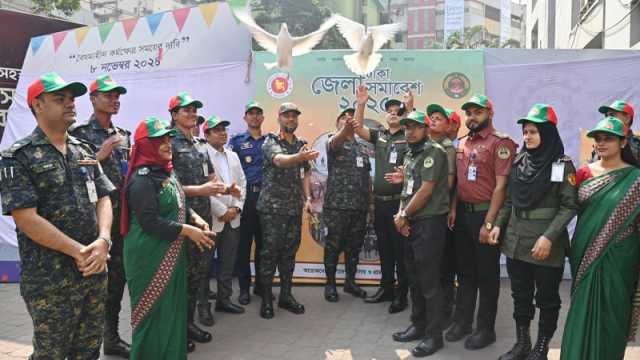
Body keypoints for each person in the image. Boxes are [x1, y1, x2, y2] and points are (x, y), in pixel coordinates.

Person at [0, 72, 115, 359]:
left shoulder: (84, 150)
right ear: (37, 105)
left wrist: (103, 240)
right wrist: (79, 251)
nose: (70, 104)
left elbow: (103, 197)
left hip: (93, 270)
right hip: (50, 280)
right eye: (59, 99)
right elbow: (26, 219)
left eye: (72, 99)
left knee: (88, 350)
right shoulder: (18, 156)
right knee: (50, 352)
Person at [122, 117, 215, 358]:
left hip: (170, 251)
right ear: (144, 145)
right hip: (148, 255)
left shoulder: (166, 171)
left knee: (172, 311)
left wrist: (194, 218)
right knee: (152, 315)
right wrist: (188, 230)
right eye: (159, 140)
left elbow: (177, 200)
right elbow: (150, 222)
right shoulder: (142, 179)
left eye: (167, 139)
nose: (166, 144)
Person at [490, 104, 578, 360]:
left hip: (544, 244)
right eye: (525, 132)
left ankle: (541, 347)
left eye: (533, 132)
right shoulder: (520, 160)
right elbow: (510, 200)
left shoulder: (562, 164)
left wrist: (549, 236)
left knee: (547, 298)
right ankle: (522, 344)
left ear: (548, 133)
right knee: (520, 295)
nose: (527, 137)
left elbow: (568, 205)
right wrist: (497, 224)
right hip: (516, 240)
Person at [560, 116, 640, 360]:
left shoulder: (636, 178)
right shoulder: (583, 173)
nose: (601, 143)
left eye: (609, 139)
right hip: (584, 252)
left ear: (623, 142)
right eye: (598, 139)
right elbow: (563, 207)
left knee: (613, 315)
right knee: (581, 310)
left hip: (621, 258)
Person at [68, 74, 131, 357]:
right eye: (108, 94)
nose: (114, 99)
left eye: (117, 95)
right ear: (93, 99)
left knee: (117, 282)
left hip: (123, 222)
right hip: (94, 223)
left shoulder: (124, 135)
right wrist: (101, 154)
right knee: (92, 285)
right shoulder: (78, 134)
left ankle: (112, 338)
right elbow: (73, 174)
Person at [448, 93, 517, 350]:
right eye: (469, 112)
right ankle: (463, 322)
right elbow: (457, 182)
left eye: (477, 112)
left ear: (489, 113)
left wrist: (489, 223)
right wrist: (453, 209)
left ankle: (485, 329)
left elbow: (502, 187)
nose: (472, 117)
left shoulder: (501, 143)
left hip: (486, 213)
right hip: (463, 214)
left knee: (487, 275)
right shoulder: (462, 143)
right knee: (465, 273)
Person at [389, 110, 450, 357]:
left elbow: (425, 191)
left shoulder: (433, 151)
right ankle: (418, 324)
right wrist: (400, 214)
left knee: (429, 282)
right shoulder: (410, 154)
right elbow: (407, 189)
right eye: (406, 127)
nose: (409, 131)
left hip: (429, 224)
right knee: (413, 277)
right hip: (412, 222)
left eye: (415, 126)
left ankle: (434, 337)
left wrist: (403, 216)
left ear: (425, 129)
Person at [168, 91, 228, 341]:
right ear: (173, 115)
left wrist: (227, 188)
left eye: (194, 110)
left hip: (202, 218)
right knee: (178, 277)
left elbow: (210, 177)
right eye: (186, 110)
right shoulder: (167, 142)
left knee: (197, 274)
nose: (192, 113)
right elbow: (163, 184)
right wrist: (200, 190)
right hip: (177, 218)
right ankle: (175, 329)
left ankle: (188, 323)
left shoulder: (200, 145)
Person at [257, 102, 319, 319]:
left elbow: (305, 173)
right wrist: (299, 157)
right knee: (269, 254)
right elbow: (280, 161)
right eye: (287, 116)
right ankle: (266, 299)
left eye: (294, 116)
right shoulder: (270, 141)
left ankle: (286, 296)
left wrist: (308, 198)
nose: (291, 119)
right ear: (279, 118)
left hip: (293, 208)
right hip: (272, 209)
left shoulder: (301, 144)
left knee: (289, 254)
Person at [354, 85, 411, 313]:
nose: (393, 113)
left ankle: (402, 294)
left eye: (398, 110)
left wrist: (410, 108)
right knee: (385, 249)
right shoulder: (381, 136)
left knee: (400, 251)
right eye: (389, 110)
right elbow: (358, 129)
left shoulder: (409, 136)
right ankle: (386, 288)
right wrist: (361, 103)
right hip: (380, 201)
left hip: (400, 202)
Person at [322, 106, 370, 302]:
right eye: (344, 118)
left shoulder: (362, 148)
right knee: (333, 247)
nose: (348, 120)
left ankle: (350, 282)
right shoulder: (333, 141)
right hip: (337, 206)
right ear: (337, 123)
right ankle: (330, 284)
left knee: (354, 248)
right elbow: (336, 142)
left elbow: (368, 178)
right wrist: (346, 129)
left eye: (351, 118)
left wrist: (371, 205)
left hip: (359, 206)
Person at [203, 116, 247, 314]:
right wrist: (222, 211)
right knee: (204, 266)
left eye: (224, 129)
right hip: (212, 219)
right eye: (216, 129)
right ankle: (202, 306)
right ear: (206, 134)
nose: (222, 132)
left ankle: (224, 299)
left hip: (233, 218)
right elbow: (203, 189)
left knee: (227, 262)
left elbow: (242, 184)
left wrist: (236, 208)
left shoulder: (233, 156)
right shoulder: (201, 155)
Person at [426, 104, 459, 329]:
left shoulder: (447, 148)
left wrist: (424, 191)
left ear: (448, 125)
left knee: (445, 264)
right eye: (432, 117)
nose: (434, 120)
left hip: (439, 210)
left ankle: (446, 310)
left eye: (439, 118)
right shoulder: (427, 145)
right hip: (426, 210)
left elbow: (449, 183)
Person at [231, 101, 266, 306]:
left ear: (262, 118)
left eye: (258, 113)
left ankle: (261, 285)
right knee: (243, 247)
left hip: (267, 200)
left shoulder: (270, 141)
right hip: (245, 199)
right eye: (250, 113)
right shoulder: (236, 142)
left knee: (264, 246)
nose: (254, 117)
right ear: (245, 117)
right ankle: (244, 289)